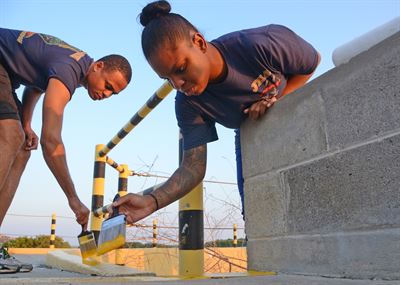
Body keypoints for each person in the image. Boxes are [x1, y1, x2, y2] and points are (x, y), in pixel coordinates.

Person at [112, 0, 320, 224]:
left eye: (180, 69)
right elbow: (193, 166)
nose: (178, 83)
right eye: (167, 79)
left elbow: (311, 62)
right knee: (257, 217)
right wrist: (153, 201)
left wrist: (276, 100)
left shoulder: (260, 45)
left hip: (297, 116)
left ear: (199, 42)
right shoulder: (189, 103)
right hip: (250, 137)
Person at [0, 28, 132, 273]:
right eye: (108, 86)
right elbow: (51, 142)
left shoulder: (73, 65)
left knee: (22, 148)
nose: (106, 94)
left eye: (113, 93)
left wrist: (27, 123)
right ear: (99, 66)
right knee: (11, 134)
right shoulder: (69, 70)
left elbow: (35, 85)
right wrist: (73, 199)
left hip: (7, 72)